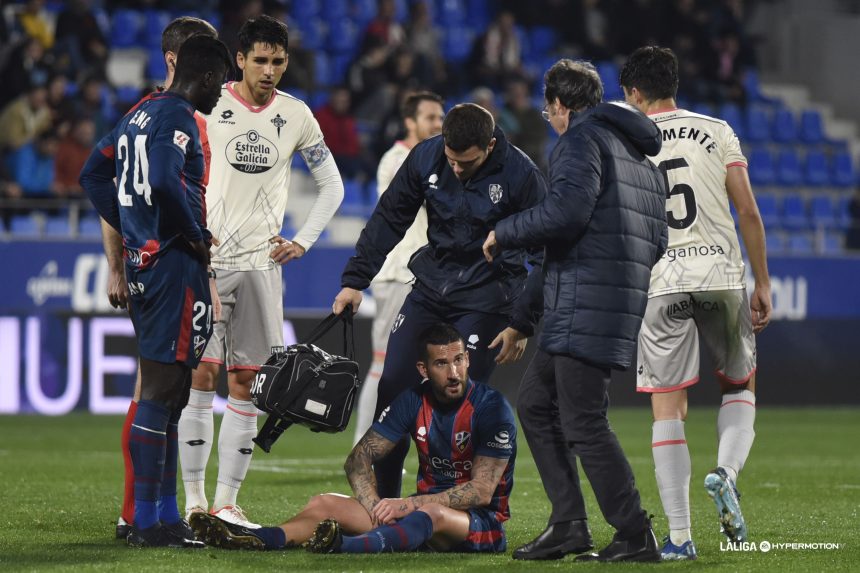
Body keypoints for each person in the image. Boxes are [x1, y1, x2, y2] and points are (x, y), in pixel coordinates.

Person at [482, 59, 668, 562]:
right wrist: (523, 319)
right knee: (538, 404)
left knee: (584, 420)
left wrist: (506, 231)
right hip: (601, 301)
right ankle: (568, 524)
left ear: (560, 105)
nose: (551, 119)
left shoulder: (580, 142)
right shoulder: (640, 158)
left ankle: (634, 532)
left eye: (549, 112)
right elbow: (655, 240)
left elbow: (564, 217)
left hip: (586, 302)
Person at [178, 14, 344, 529]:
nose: (269, 70)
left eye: (278, 61)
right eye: (261, 60)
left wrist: (302, 240)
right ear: (241, 59)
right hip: (205, 262)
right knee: (200, 377)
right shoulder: (209, 104)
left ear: (286, 61)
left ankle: (227, 502)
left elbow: (332, 185)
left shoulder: (296, 115)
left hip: (258, 267)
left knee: (247, 382)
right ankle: (194, 501)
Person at [332, 103, 546, 499]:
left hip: (488, 297)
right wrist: (354, 281)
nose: (458, 170)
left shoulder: (522, 175)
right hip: (432, 287)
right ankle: (386, 505)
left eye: (467, 163)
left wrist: (522, 322)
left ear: (491, 145)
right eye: (452, 160)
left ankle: (450, 511)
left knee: (456, 395)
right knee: (393, 385)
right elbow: (388, 219)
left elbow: (544, 255)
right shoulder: (426, 156)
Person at [80, 34, 233, 548]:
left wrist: (131, 227)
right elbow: (167, 180)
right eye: (221, 84)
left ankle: (163, 515)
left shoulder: (140, 112)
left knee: (170, 393)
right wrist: (192, 234)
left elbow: (93, 172)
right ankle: (147, 522)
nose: (220, 95)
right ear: (207, 77)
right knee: (164, 392)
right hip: (173, 268)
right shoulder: (179, 116)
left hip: (148, 265)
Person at [620, 45, 772, 560]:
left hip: (661, 280)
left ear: (635, 93)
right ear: (675, 84)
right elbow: (747, 210)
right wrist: (763, 283)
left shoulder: (625, 141)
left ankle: (680, 538)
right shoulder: (716, 129)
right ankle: (725, 473)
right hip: (720, 275)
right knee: (739, 383)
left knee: (668, 409)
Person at [189, 323, 517, 555]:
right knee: (324, 503)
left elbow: (482, 490)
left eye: (459, 360)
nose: (454, 372)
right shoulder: (413, 400)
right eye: (442, 364)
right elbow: (358, 459)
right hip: (417, 514)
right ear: (423, 368)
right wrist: (375, 508)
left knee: (430, 515)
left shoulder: (491, 407)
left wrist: (408, 504)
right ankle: (257, 538)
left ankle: (342, 546)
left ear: (468, 359)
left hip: (477, 524)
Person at [352, 91, 445, 445]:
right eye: (430, 118)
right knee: (384, 365)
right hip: (396, 274)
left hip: (426, 277)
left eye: (440, 117)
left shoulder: (436, 157)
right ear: (411, 121)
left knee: (424, 368)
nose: (438, 124)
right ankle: (365, 445)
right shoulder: (396, 159)